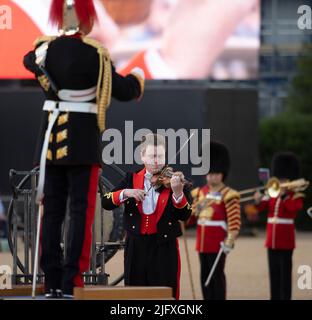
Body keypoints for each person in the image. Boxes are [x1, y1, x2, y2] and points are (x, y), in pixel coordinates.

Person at [23, 0, 144, 299]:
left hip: (51, 144)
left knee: (50, 212)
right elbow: (124, 90)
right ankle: (70, 282)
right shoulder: (95, 55)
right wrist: (138, 77)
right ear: (87, 19)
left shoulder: (42, 51)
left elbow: (27, 61)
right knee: (80, 213)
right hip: (83, 144)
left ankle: (50, 281)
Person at [101, 133, 192, 300]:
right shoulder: (130, 179)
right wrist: (125, 192)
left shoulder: (174, 181)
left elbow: (185, 215)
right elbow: (106, 202)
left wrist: (178, 194)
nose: (156, 161)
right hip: (136, 247)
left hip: (165, 247)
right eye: (152, 156)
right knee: (135, 295)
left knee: (165, 295)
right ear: (142, 156)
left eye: (160, 156)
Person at [189, 141, 241, 300]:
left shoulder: (229, 194)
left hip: (218, 245)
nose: (213, 176)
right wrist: (196, 209)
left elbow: (234, 222)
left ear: (222, 174)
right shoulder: (198, 193)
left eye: (216, 173)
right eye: (210, 173)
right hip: (202, 244)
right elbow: (189, 219)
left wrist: (229, 241)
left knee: (216, 278)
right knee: (204, 278)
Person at [254, 152, 305, 300]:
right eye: (280, 178)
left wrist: (283, 195)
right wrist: (258, 200)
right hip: (272, 241)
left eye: (284, 179)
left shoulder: (295, 195)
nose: (281, 181)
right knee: (274, 274)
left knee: (285, 275)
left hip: (286, 241)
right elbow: (261, 207)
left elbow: (293, 208)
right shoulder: (273, 193)